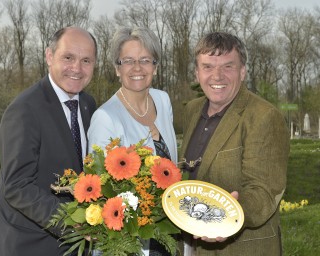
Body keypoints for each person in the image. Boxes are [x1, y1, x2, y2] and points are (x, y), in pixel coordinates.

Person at [0, 27, 97, 256]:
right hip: (28, 244)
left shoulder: (88, 105)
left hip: (72, 246)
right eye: (68, 57)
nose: (77, 68)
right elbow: (17, 186)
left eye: (86, 60)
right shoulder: (24, 110)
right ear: (49, 56)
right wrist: (72, 222)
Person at [179, 31, 290, 255]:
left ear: (242, 72)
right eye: (208, 66)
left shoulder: (264, 116)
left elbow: (264, 190)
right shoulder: (192, 110)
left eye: (228, 66)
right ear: (197, 73)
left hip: (242, 248)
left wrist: (230, 217)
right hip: (192, 246)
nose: (217, 76)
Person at [87, 27, 177, 256]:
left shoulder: (163, 101)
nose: (137, 68)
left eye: (145, 60)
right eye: (128, 61)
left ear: (155, 66)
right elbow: (102, 192)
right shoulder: (105, 118)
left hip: (166, 234)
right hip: (129, 243)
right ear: (117, 68)